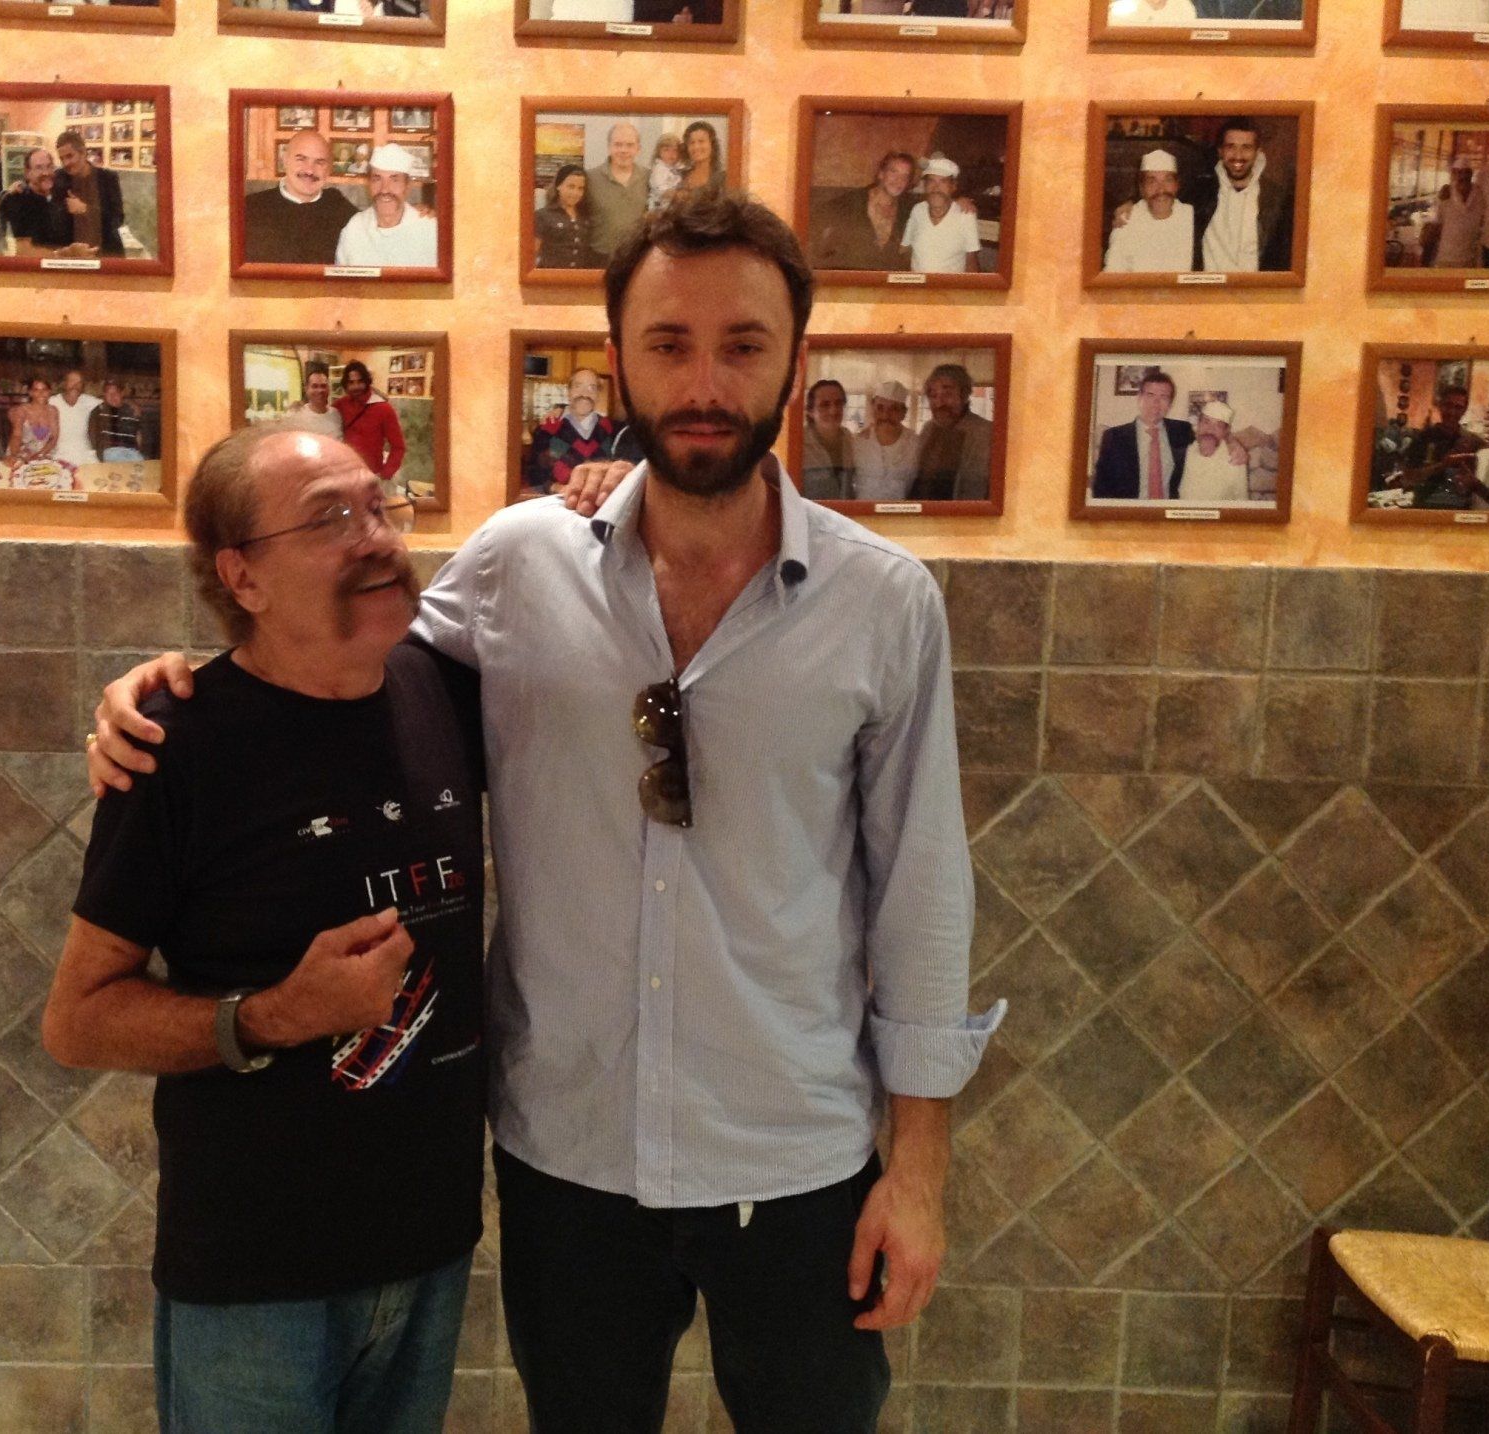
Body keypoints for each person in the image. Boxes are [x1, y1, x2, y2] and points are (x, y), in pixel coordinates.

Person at [92, 189, 1003, 1434]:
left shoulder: (883, 604)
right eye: (669, 343)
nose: (704, 384)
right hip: (568, 1161)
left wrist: (922, 1172)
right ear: (618, 355)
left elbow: (923, 894)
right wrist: (170, 687)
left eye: (742, 344)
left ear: (796, 358)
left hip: (797, 1155)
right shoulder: (520, 563)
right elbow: (331, 658)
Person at [45, 426, 489, 1433]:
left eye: (380, 505)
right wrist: (280, 1014)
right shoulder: (175, 746)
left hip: (431, 1246)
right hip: (257, 1276)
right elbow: (77, 1020)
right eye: (330, 519)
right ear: (242, 576)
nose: (376, 537)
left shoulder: (446, 693)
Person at [1182, 117, 1291, 272]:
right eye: (1230, 146)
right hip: (1209, 285)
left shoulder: (1276, 199)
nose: (1238, 155)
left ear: (1257, 152)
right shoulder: (1198, 192)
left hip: (1257, 286)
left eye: (1246, 147)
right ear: (1220, 151)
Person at [242, 131, 359, 265]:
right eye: (301, 159)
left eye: (319, 162)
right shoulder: (250, 208)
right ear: (284, 160)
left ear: (328, 169)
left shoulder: (340, 208)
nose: (309, 170)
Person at [1388, 384, 1489, 509]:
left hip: (1460, 513)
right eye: (1448, 405)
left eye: (1458, 407)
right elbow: (1408, 478)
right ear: (1440, 406)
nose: (1452, 412)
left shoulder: (1475, 442)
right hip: (1426, 510)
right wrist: (1442, 465)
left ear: (1464, 410)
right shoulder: (1422, 438)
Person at [1091, 368, 1193, 500]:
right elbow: (1101, 487)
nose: (1156, 403)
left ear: (1170, 404)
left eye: (1163, 397)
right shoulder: (1114, 437)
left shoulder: (1182, 430)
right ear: (1139, 398)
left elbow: (1206, 448)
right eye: (1150, 395)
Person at [809, 151, 917, 272]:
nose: (899, 180)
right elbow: (816, 218)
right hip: (852, 277)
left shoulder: (909, 210)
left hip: (887, 280)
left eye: (905, 176)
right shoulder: (853, 201)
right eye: (893, 172)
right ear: (881, 174)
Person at [336, 143, 439, 268]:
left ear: (407, 186)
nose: (384, 189)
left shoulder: (429, 229)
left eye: (394, 179)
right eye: (377, 179)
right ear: (369, 185)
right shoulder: (355, 228)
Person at [525, 366, 617, 492]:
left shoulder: (610, 430)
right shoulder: (547, 429)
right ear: (568, 391)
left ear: (598, 395)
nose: (585, 394)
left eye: (592, 388)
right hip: (557, 501)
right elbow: (534, 473)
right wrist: (555, 487)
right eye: (578, 386)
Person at [1103, 150, 1196, 273]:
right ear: (1141, 188)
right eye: (1152, 181)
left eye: (1168, 180)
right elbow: (1113, 272)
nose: (1161, 189)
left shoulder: (1192, 216)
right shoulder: (1126, 220)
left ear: (1177, 185)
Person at [909, 363, 992, 500]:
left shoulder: (985, 433)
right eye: (933, 395)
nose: (939, 403)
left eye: (947, 394)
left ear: (964, 395)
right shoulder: (928, 429)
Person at [900, 156, 981, 274]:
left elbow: (971, 260)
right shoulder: (917, 210)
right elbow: (905, 248)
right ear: (924, 185)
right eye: (931, 181)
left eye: (943, 181)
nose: (936, 187)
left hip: (949, 284)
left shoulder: (965, 214)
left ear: (953, 186)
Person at [53, 130, 127, 258]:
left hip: (106, 252)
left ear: (83, 153)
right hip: (73, 255)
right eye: (62, 158)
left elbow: (117, 219)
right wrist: (20, 188)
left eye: (69, 156)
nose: (65, 163)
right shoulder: (59, 177)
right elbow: (54, 217)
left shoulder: (107, 178)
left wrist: (85, 209)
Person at [584, 122, 649, 265]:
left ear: (638, 149)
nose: (624, 150)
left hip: (637, 258)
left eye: (630, 145)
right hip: (599, 259)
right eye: (618, 144)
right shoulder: (590, 178)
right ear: (609, 147)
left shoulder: (650, 177)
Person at [334, 361, 406, 482]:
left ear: (367, 382)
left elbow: (398, 447)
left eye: (360, 381)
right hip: (345, 474)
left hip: (371, 475)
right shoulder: (341, 405)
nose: (356, 386)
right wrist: (301, 407)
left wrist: (385, 474)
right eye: (351, 382)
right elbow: (322, 413)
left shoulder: (384, 408)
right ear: (345, 385)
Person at [0, 148, 74, 254]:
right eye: (39, 168)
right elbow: (23, 251)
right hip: (34, 264)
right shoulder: (16, 200)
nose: (46, 172)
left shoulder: (62, 195)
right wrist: (63, 254)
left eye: (49, 166)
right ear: (27, 173)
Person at [853, 380, 920, 501]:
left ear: (904, 413)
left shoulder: (916, 444)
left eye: (894, 409)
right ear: (872, 408)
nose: (885, 415)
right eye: (880, 408)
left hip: (899, 511)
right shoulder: (858, 442)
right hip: (860, 510)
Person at [1176, 400, 1250, 502]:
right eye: (1206, 422)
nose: (1210, 429)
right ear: (1198, 424)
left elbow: (1242, 501)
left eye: (1218, 425)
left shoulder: (1235, 459)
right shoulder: (1184, 450)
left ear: (1225, 431)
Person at [799, 378, 857, 499]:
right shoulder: (798, 443)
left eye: (838, 403)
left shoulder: (851, 440)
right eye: (825, 405)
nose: (833, 411)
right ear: (810, 411)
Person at [533, 163, 597, 269]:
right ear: (558, 186)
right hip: (551, 275)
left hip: (579, 276)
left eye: (580, 188)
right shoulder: (542, 216)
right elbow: (532, 253)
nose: (575, 193)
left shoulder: (586, 217)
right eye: (571, 187)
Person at [1426, 166, 1486, 269]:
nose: (1463, 176)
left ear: (1471, 175)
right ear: (1454, 176)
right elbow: (1437, 225)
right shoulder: (1446, 195)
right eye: (1459, 173)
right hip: (1446, 257)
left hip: (1470, 258)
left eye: (1466, 173)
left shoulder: (1480, 194)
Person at [51, 369, 103, 467]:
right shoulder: (53, 401)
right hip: (61, 453)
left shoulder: (88, 400)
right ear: (64, 384)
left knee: (99, 474)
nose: (75, 385)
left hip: (85, 453)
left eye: (79, 382)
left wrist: (131, 404)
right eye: (72, 381)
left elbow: (109, 400)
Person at [7, 377, 60, 466]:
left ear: (49, 392)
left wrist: (40, 455)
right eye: (36, 390)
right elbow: (16, 436)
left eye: (44, 389)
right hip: (22, 452)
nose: (41, 393)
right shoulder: (22, 410)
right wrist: (14, 455)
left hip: (45, 452)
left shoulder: (53, 411)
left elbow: (54, 438)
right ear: (30, 392)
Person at [91, 378, 146, 462]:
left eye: (116, 392)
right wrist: (98, 455)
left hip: (132, 451)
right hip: (110, 451)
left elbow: (139, 434)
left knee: (142, 465)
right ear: (104, 395)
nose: (112, 396)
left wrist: (139, 450)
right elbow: (92, 435)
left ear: (122, 393)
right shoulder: (99, 411)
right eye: (108, 393)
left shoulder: (132, 410)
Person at [285, 366, 345, 439]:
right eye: (315, 386)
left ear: (329, 388)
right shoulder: (296, 414)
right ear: (306, 389)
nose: (320, 390)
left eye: (323, 386)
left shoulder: (336, 414)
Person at [676, 120, 724, 197]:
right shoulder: (679, 176)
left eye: (701, 141)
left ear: (712, 145)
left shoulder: (722, 179)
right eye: (692, 142)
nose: (696, 147)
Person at [647, 133, 684, 211]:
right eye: (666, 150)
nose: (671, 154)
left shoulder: (677, 167)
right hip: (658, 207)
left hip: (672, 207)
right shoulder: (659, 169)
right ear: (659, 152)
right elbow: (661, 190)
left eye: (675, 150)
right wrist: (678, 194)